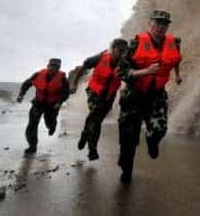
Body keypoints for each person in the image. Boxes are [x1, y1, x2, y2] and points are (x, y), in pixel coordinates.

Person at [117, 10, 182, 184]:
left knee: (160, 130)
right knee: (128, 139)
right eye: (157, 23)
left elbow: (176, 60)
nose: (160, 27)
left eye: (164, 24)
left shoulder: (173, 42)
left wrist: (177, 75)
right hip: (134, 96)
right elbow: (121, 71)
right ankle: (126, 169)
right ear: (150, 23)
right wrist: (144, 71)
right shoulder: (136, 42)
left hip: (156, 96)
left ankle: (152, 142)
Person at [70, 38, 129, 161]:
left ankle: (85, 133)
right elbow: (83, 68)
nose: (121, 53)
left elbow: (131, 76)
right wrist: (74, 83)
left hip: (109, 95)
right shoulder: (100, 58)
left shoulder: (125, 63)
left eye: (124, 51)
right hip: (94, 91)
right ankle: (92, 150)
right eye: (119, 50)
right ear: (113, 49)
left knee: (97, 119)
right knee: (95, 119)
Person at [17, 58, 70, 155]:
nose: (52, 69)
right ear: (47, 66)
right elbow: (27, 84)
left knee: (49, 122)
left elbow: (66, 92)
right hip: (38, 103)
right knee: (32, 125)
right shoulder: (38, 75)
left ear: (58, 69)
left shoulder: (62, 78)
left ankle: (52, 126)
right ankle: (32, 146)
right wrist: (21, 94)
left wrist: (60, 101)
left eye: (55, 67)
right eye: (51, 66)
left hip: (53, 105)